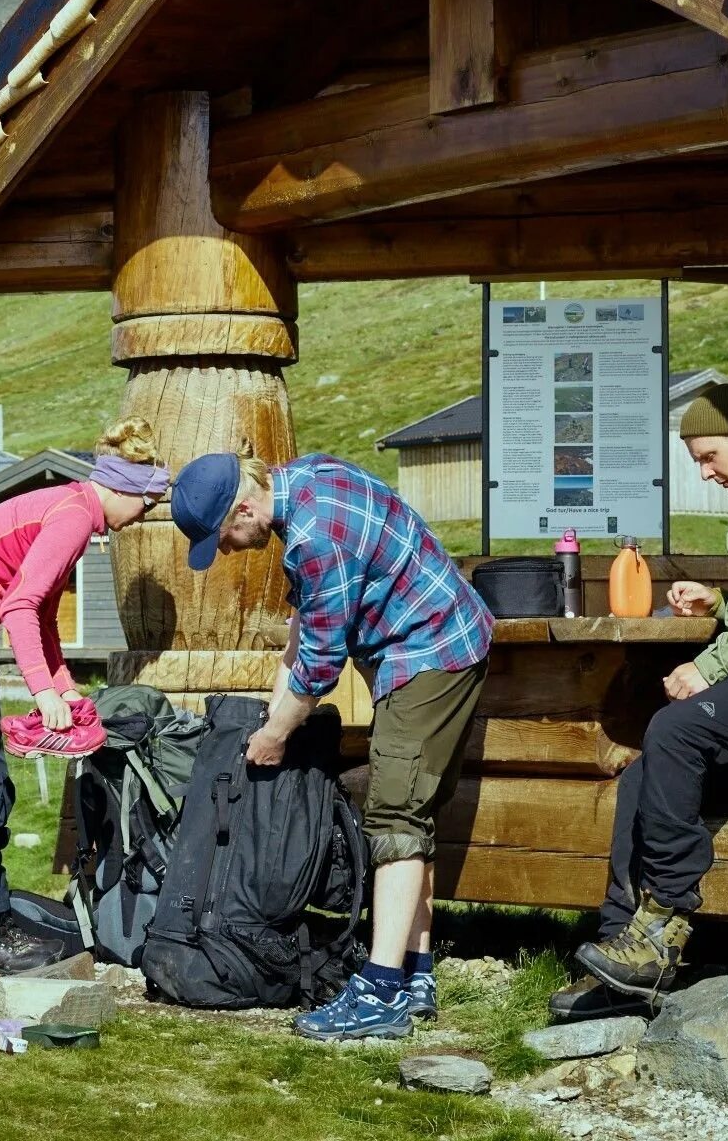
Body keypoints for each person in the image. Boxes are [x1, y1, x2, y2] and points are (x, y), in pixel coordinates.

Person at [169, 444, 492, 1039]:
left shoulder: (315, 540)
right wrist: (272, 710)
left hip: (427, 654)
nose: (227, 552)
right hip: (439, 641)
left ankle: (380, 992)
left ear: (242, 509)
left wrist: (274, 736)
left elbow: (319, 665)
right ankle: (416, 975)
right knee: (412, 821)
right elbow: (303, 628)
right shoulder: (306, 480)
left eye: (222, 538)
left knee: (394, 820)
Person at [558, 384, 728, 1012]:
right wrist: (722, 606)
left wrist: (711, 663)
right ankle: (621, 954)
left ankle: (665, 923)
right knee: (641, 776)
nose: (705, 473)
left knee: (675, 730)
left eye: (709, 457)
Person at [0, 418, 169, 975]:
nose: (141, 518)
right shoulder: (71, 518)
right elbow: (20, 607)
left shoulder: (71, 509)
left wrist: (64, 684)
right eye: (144, 504)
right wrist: (42, 694)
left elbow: (39, 611)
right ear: (122, 489)